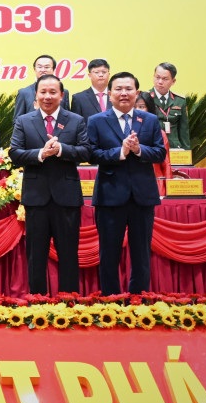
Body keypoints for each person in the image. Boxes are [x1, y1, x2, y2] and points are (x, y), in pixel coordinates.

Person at [9, 74, 90, 294]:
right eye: (43, 92)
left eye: (53, 92)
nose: (47, 96)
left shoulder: (76, 120)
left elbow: (86, 151)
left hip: (67, 198)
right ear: (35, 95)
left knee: (68, 254)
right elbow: (15, 153)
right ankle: (37, 300)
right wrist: (41, 154)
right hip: (36, 198)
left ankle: (69, 301)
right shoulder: (24, 121)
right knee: (36, 255)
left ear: (61, 95)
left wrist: (62, 149)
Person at [87, 72, 166, 295]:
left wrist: (139, 149)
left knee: (141, 253)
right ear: (109, 93)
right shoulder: (96, 121)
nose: (124, 93)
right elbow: (91, 154)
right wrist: (120, 152)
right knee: (109, 253)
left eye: (129, 89)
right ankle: (110, 299)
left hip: (142, 197)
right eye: (119, 89)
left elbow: (160, 153)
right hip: (110, 196)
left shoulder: (149, 120)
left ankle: (139, 297)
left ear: (137, 92)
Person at [147, 62, 191, 150]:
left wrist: (186, 153)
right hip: (152, 147)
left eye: (165, 79)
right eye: (157, 77)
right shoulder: (145, 98)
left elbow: (183, 131)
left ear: (173, 81)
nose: (160, 82)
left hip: (174, 148)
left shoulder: (180, 101)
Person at [13, 55, 70, 121]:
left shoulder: (63, 92)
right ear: (34, 69)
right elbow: (17, 121)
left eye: (47, 67)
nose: (43, 70)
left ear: (53, 69)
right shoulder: (24, 93)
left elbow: (68, 118)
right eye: (39, 67)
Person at [136, 93, 172, 180]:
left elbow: (166, 164)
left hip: (154, 179)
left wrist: (168, 185)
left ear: (149, 108)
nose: (137, 110)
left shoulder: (159, 133)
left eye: (141, 107)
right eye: (134, 107)